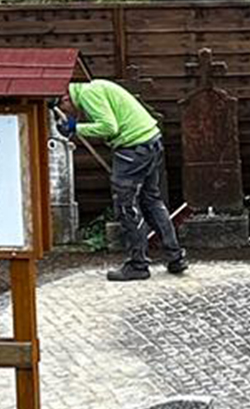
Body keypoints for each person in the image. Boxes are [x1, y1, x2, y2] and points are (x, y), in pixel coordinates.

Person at [59, 77, 187, 282]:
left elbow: (110, 127)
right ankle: (175, 257)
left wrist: (76, 128)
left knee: (126, 207)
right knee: (152, 201)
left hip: (133, 149)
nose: (68, 114)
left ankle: (138, 265)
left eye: (65, 111)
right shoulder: (97, 86)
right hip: (150, 141)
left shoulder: (87, 94)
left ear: (66, 98)